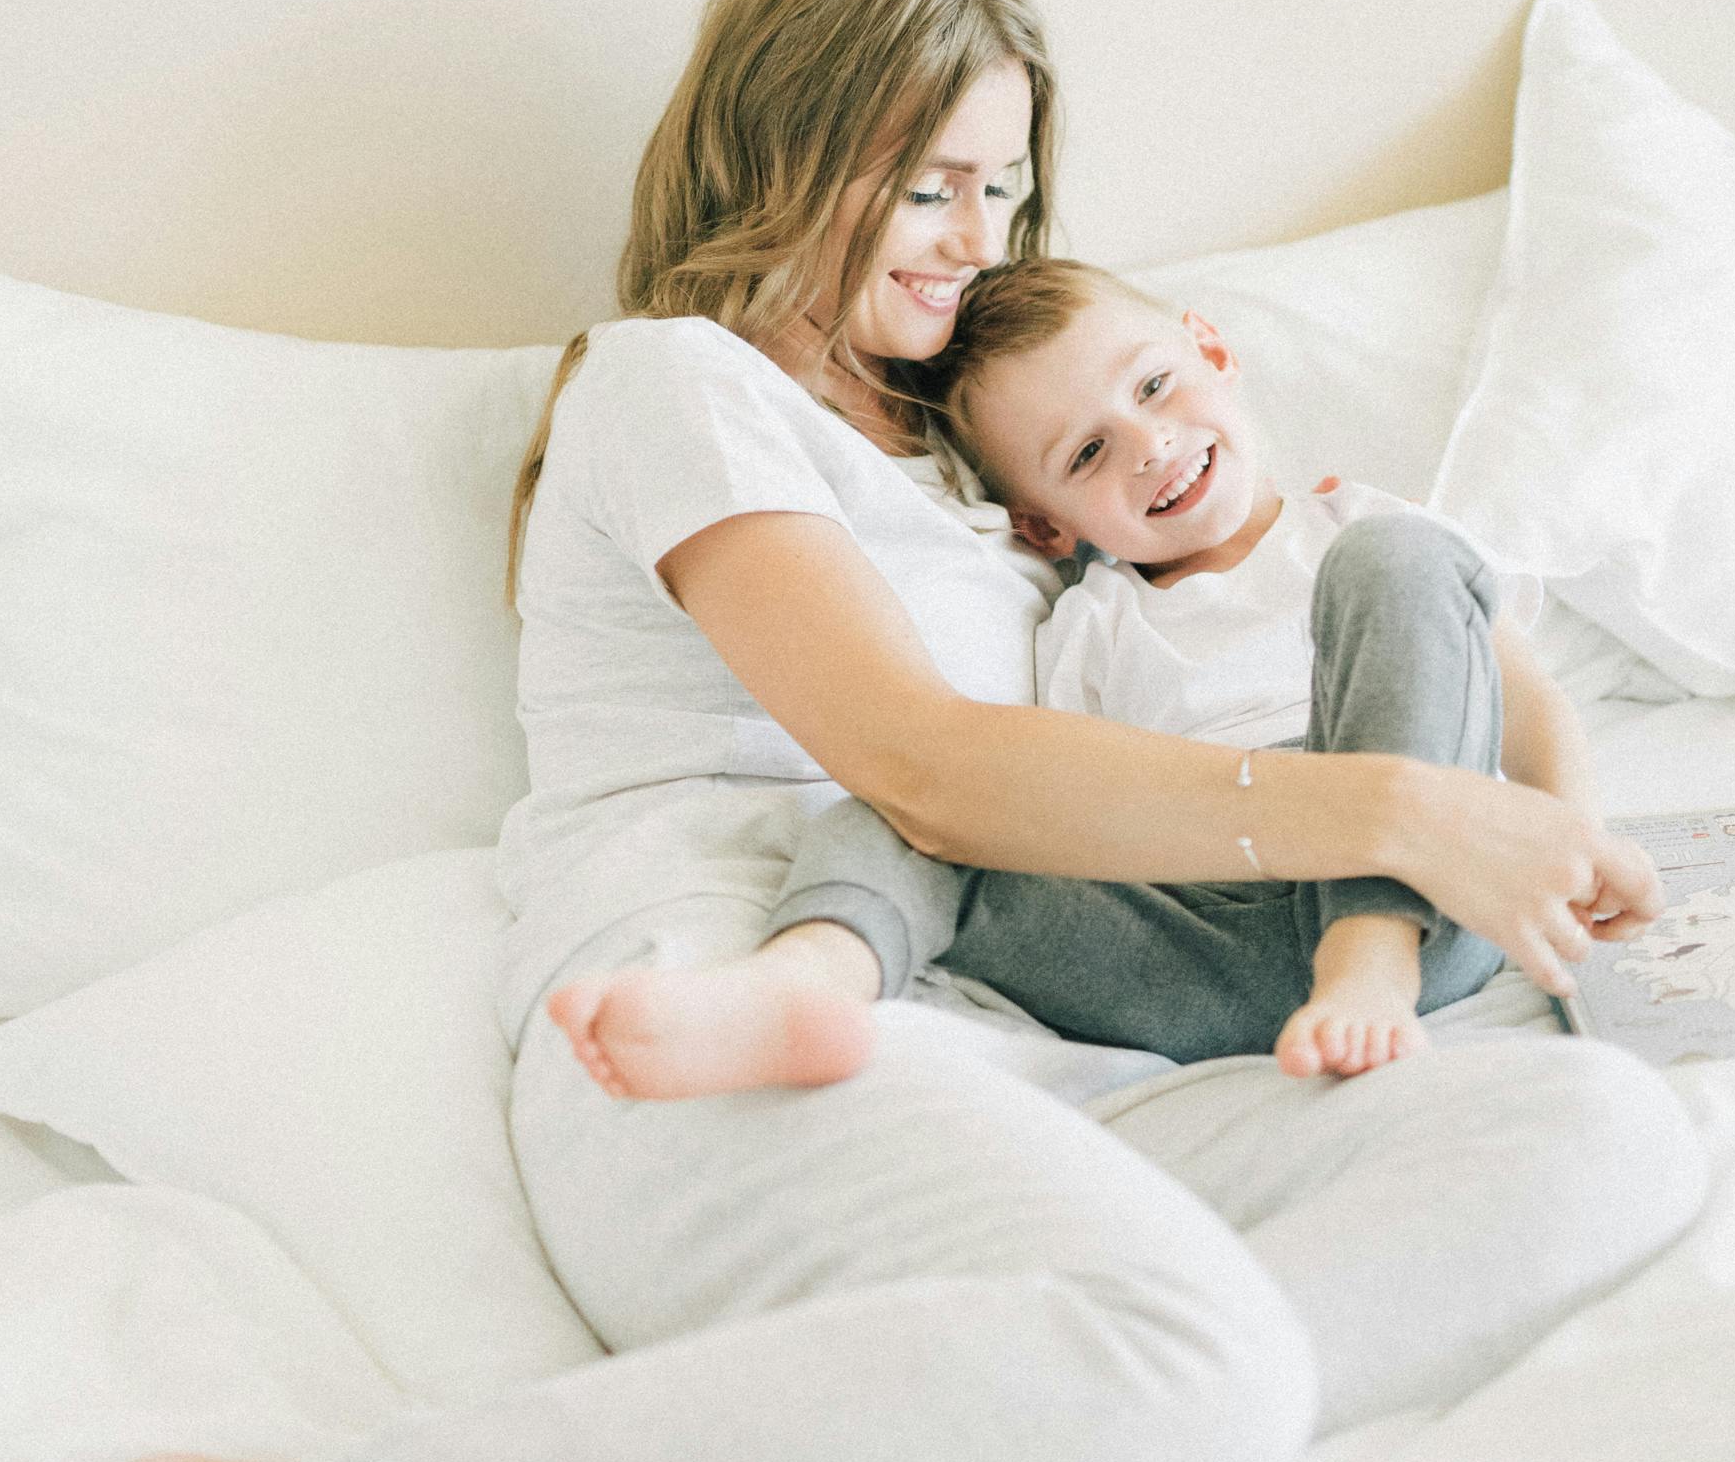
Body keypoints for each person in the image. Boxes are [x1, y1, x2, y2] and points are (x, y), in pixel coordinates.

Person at [0, 0, 1706, 1462]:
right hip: (724, 1005)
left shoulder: (982, 467)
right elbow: (920, 771)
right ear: (784, 147)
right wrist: (1396, 813)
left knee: (1602, 1139)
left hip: (1030, 1035)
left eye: (999, 192)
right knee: (1200, 1371)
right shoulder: (675, 383)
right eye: (924, 185)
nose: (972, 242)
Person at [558, 257, 1641, 1097]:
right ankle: (810, 978)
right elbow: (1049, 815)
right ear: (1040, 521)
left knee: (1398, 563)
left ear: (1211, 348)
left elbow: (1518, 693)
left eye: (1156, 385)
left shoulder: (1354, 526)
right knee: (915, 803)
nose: (1150, 446)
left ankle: (1367, 954)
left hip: (1425, 897)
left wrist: (1572, 840)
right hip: (1193, 946)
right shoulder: (1086, 627)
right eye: (1085, 454)